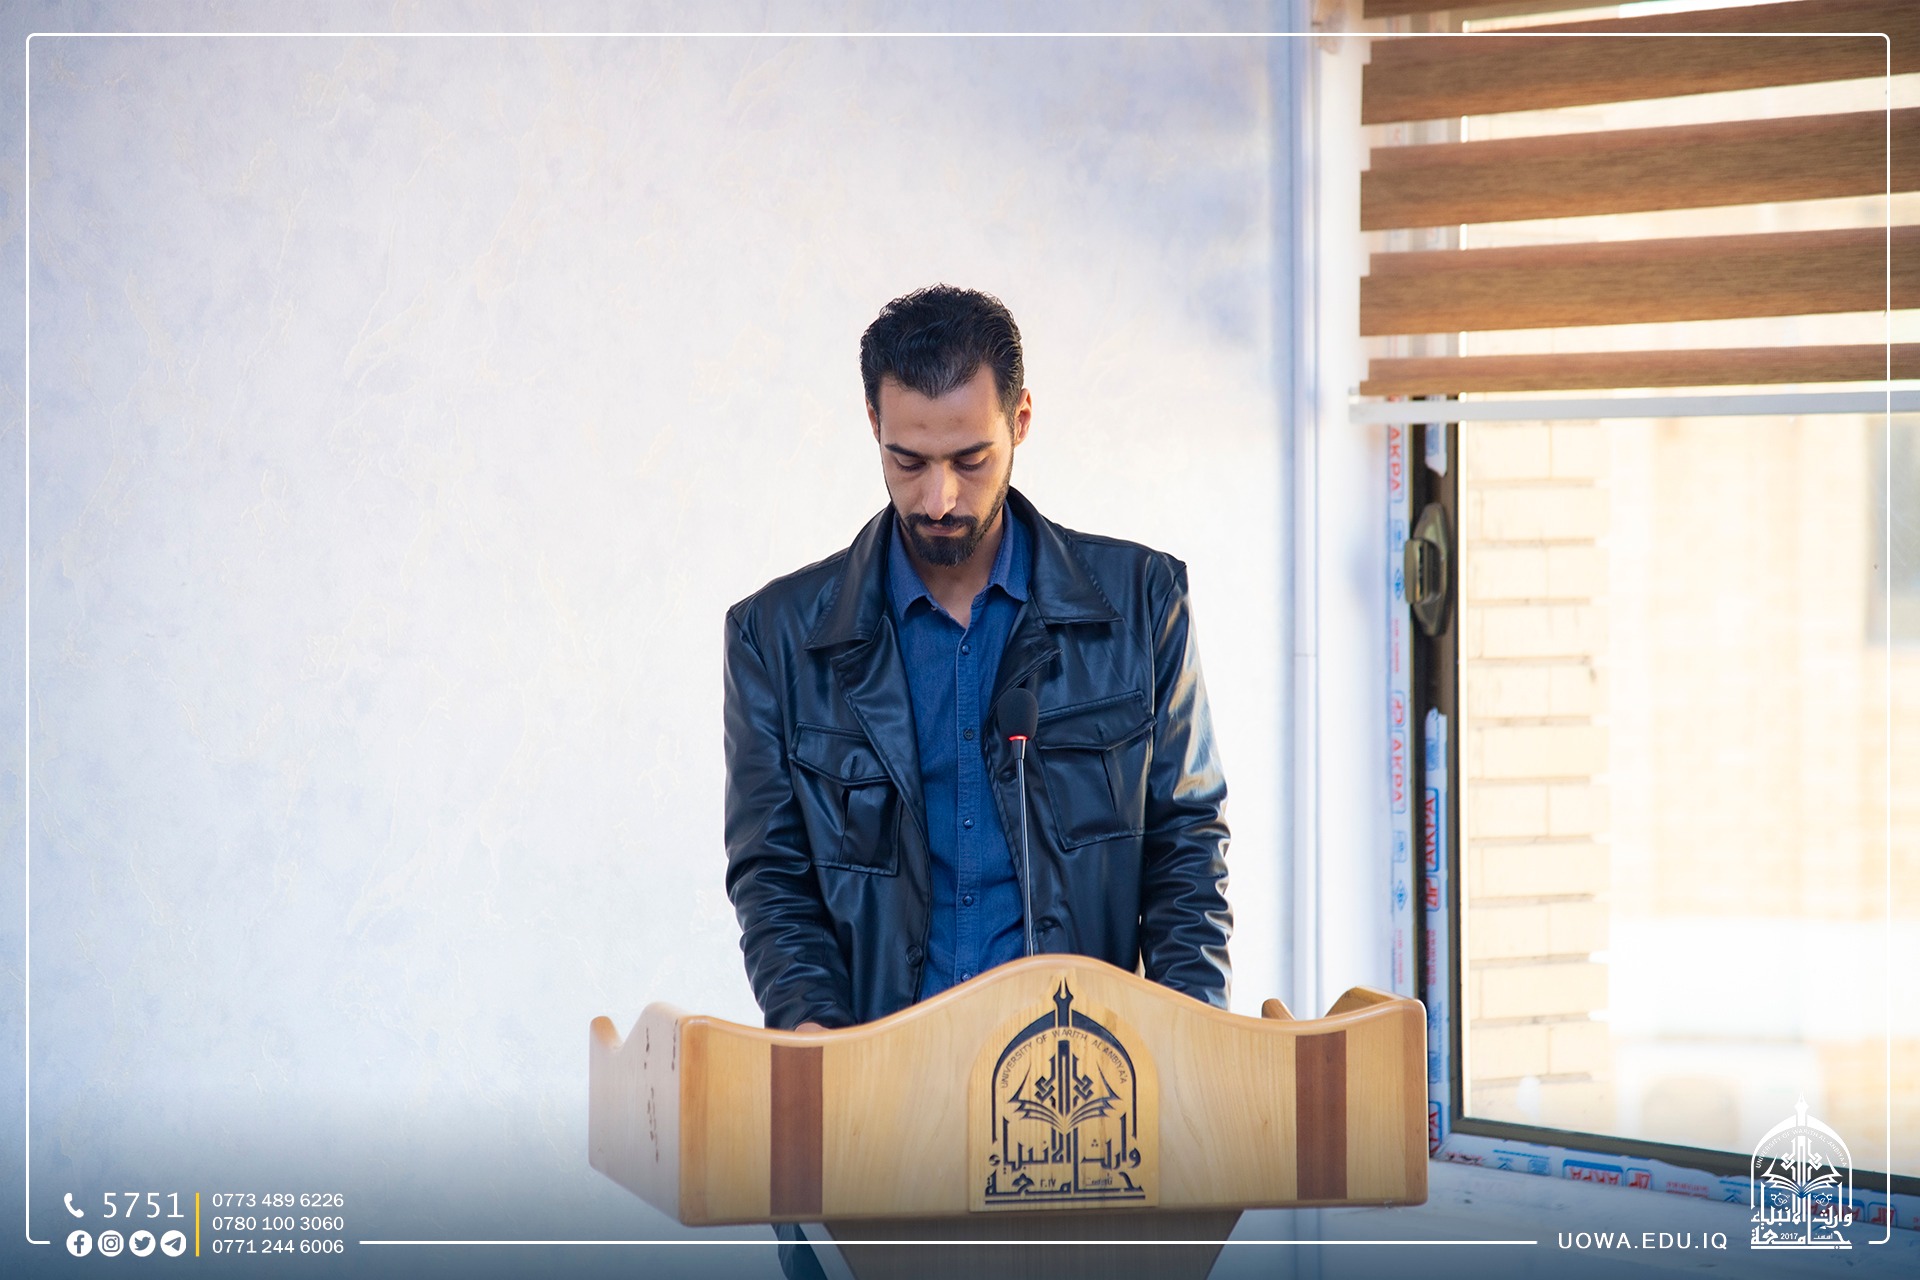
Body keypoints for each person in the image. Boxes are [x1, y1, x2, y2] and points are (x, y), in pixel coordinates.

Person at [722, 284, 1232, 1038]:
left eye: (971, 460)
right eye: (908, 461)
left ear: (1020, 419)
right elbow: (772, 877)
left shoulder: (1143, 603)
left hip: (1079, 1076)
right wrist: (815, 1040)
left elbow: (1186, 849)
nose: (938, 498)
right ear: (874, 424)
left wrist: (1192, 1046)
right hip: (876, 1082)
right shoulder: (773, 638)